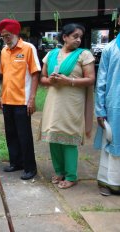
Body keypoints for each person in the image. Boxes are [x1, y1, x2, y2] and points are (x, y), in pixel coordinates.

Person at [39, 23, 95, 188]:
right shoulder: (51, 54)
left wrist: (68, 80)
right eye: (75, 36)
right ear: (64, 37)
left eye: (80, 37)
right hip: (53, 102)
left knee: (69, 138)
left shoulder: (84, 55)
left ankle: (71, 176)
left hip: (72, 104)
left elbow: (90, 79)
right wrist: (50, 80)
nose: (78, 40)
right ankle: (59, 172)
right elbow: (42, 78)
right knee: (53, 136)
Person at [0, 19, 40, 180]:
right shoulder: (3, 51)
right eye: (3, 37)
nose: (6, 39)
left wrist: (32, 99)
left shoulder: (28, 48)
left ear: (15, 33)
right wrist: (2, 96)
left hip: (22, 101)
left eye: (7, 35)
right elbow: (4, 76)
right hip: (8, 100)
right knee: (11, 134)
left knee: (24, 135)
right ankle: (16, 162)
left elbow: (35, 73)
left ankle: (30, 167)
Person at [94, 8, 120, 196]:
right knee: (113, 141)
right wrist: (100, 109)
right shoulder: (111, 48)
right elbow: (101, 81)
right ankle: (111, 182)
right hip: (114, 105)